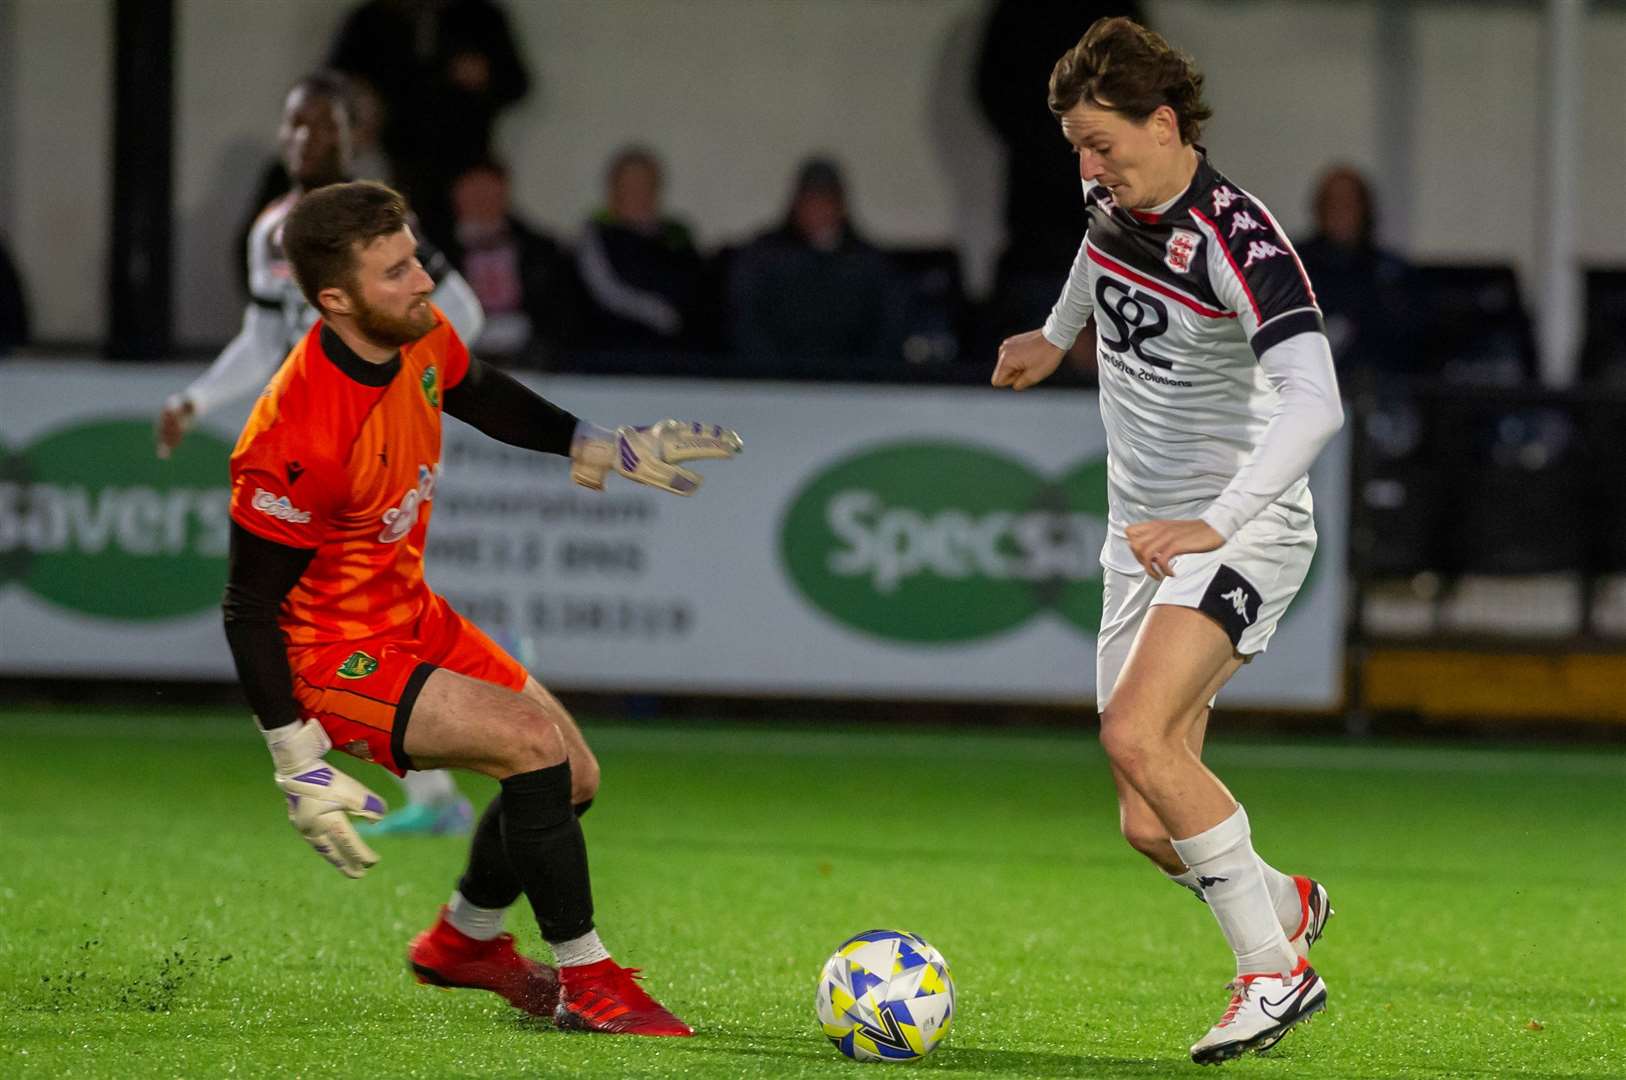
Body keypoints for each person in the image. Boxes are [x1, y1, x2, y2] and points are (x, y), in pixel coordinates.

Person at [222, 180, 741, 1034]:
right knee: (531, 746)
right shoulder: (294, 434)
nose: (424, 282)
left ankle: (463, 943)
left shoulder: (415, 335)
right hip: (333, 657)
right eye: (395, 273)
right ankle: (590, 981)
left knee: (571, 776)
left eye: (415, 258)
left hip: (409, 613)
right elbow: (248, 608)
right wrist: (294, 758)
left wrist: (594, 443)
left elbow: (477, 389)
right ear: (333, 300)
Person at [990, 17, 1343, 1064]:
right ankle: (1288, 903)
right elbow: (1093, 253)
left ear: (1165, 121)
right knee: (1148, 823)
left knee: (1135, 736)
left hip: (1243, 530)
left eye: (1103, 144)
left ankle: (1274, 977)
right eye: (1077, 151)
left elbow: (1316, 403)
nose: (1090, 169)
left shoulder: (1241, 240)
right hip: (1141, 538)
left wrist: (1219, 519)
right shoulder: (1114, 198)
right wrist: (1056, 337)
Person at [157, 71, 485, 838]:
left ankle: (460, 745)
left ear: (352, 135)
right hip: (310, 453)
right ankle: (442, 784)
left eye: (324, 125)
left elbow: (460, 311)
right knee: (343, 622)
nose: (308, 139)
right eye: (296, 125)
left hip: (369, 447)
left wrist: (415, 390)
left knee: (322, 622)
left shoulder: (381, 223)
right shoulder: (273, 230)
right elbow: (261, 340)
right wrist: (196, 401)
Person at [727, 156, 900, 374]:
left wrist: (858, 374)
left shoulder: (867, 264)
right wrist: (774, 372)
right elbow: (745, 322)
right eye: (810, 200)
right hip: (775, 383)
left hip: (853, 387)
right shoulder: (763, 257)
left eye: (825, 200)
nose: (817, 210)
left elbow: (887, 328)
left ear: (840, 206)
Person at [1294, 164, 1418, 385]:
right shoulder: (1291, 265)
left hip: (1378, 390)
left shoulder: (1387, 272)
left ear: (1365, 210)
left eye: (1351, 203)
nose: (1342, 211)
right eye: (1333, 203)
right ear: (1320, 209)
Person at [448, 158, 576, 368]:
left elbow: (559, 310)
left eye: (490, 188)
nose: (482, 199)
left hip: (528, 356)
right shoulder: (435, 252)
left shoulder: (540, 249)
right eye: (473, 189)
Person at [575, 147, 704, 353]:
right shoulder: (596, 235)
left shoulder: (678, 236)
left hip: (679, 353)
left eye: (645, 183)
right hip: (615, 351)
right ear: (614, 189)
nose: (638, 191)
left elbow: (697, 291)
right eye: (629, 183)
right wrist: (659, 314)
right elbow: (606, 292)